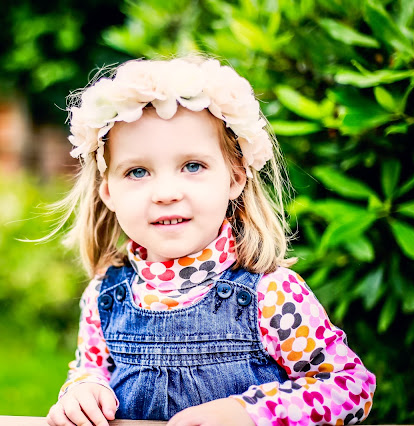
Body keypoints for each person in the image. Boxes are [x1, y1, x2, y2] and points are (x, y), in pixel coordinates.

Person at [45, 56, 376, 426]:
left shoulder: (270, 293)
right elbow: (89, 370)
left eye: (192, 166)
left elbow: (349, 387)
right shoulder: (105, 296)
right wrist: (82, 392)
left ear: (234, 178)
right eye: (137, 171)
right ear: (108, 191)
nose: (166, 192)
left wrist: (250, 413)